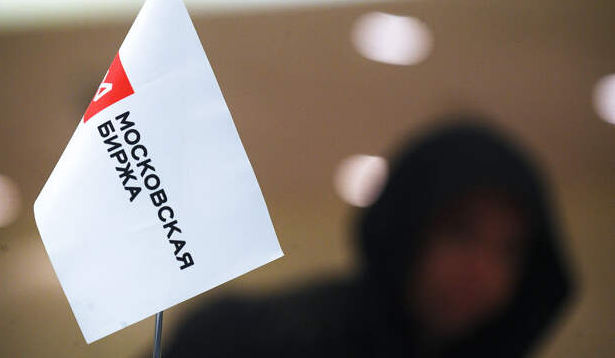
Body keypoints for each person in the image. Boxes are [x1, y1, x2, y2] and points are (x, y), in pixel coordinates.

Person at [163, 119, 575, 358]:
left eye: (509, 251)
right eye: (461, 234)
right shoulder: (251, 340)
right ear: (407, 225)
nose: (482, 270)